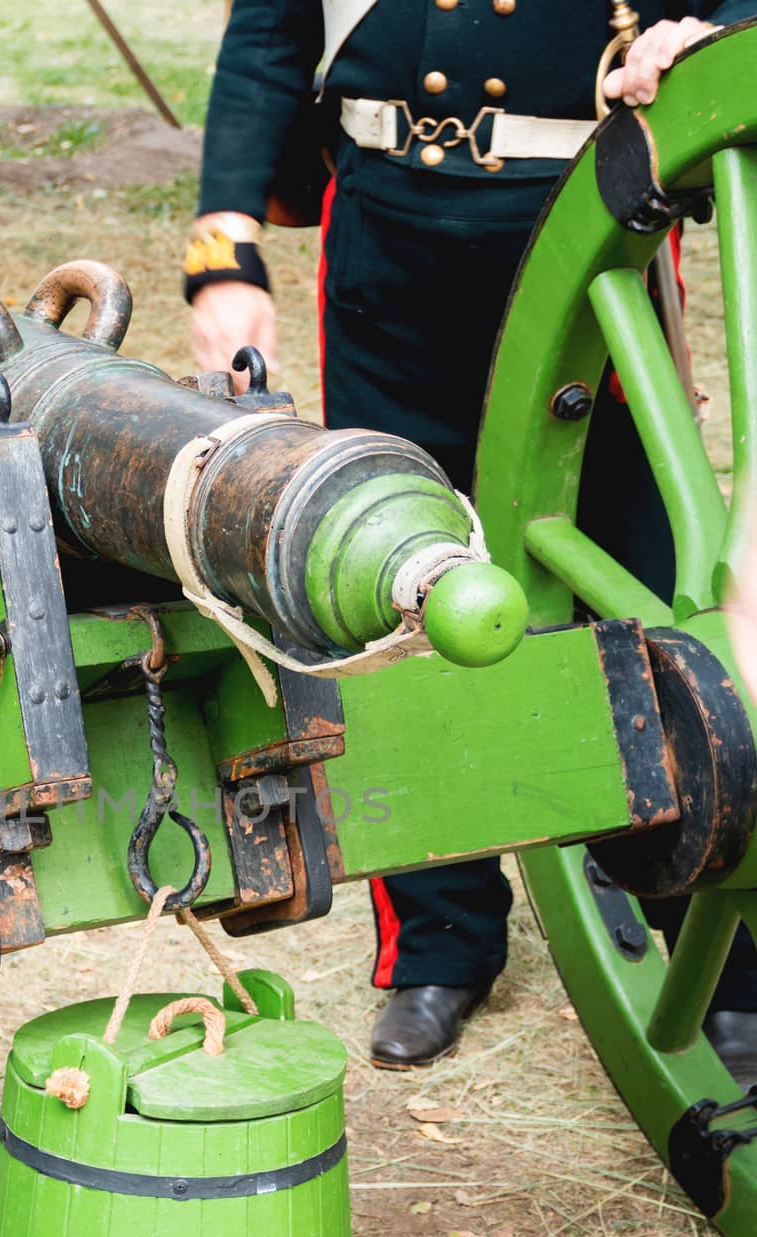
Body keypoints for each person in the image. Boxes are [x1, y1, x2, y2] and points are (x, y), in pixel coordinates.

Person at [187, 1, 757, 1077]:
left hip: (582, 219)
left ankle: (710, 944)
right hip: (386, 241)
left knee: (630, 591)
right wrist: (223, 248)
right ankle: (441, 939)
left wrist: (700, 36)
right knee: (397, 586)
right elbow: (271, 29)